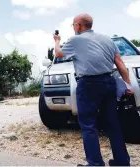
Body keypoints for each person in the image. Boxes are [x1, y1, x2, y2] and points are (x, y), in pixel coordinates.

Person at [53, 14, 133, 166]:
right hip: (109, 83)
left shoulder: (76, 40)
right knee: (112, 123)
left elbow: (58, 53)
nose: (73, 28)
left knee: (88, 125)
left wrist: (57, 41)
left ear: (78, 25)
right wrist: (128, 85)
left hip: (88, 85)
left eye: (73, 25)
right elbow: (120, 62)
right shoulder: (107, 39)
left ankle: (95, 163)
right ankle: (122, 161)